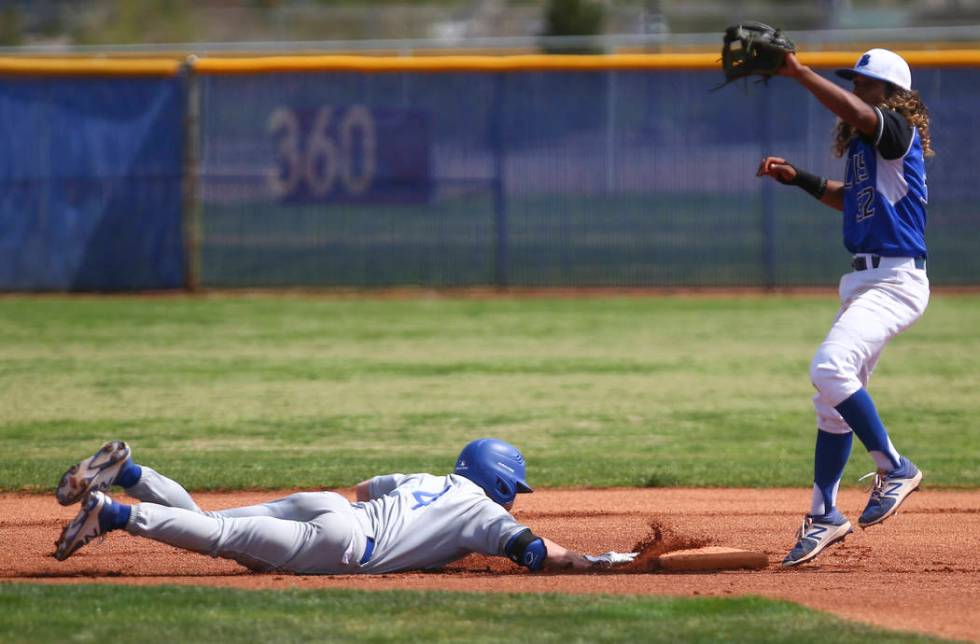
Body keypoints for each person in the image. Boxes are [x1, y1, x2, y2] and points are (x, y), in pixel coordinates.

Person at [756, 48, 932, 567]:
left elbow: (860, 116)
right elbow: (850, 197)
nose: (857, 90)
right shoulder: (866, 151)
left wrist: (799, 73)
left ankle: (894, 466)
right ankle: (825, 515)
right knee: (830, 404)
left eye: (866, 83)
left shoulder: (895, 131)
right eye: (855, 81)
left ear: (892, 94)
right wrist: (801, 179)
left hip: (895, 279)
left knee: (829, 368)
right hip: (865, 279)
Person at [53, 438, 636, 574]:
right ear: (503, 484)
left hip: (330, 508)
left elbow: (361, 488)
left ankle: (131, 472)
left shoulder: (430, 479)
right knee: (218, 539)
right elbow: (534, 552)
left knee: (213, 522)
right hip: (344, 547)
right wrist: (594, 561)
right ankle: (114, 512)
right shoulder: (484, 514)